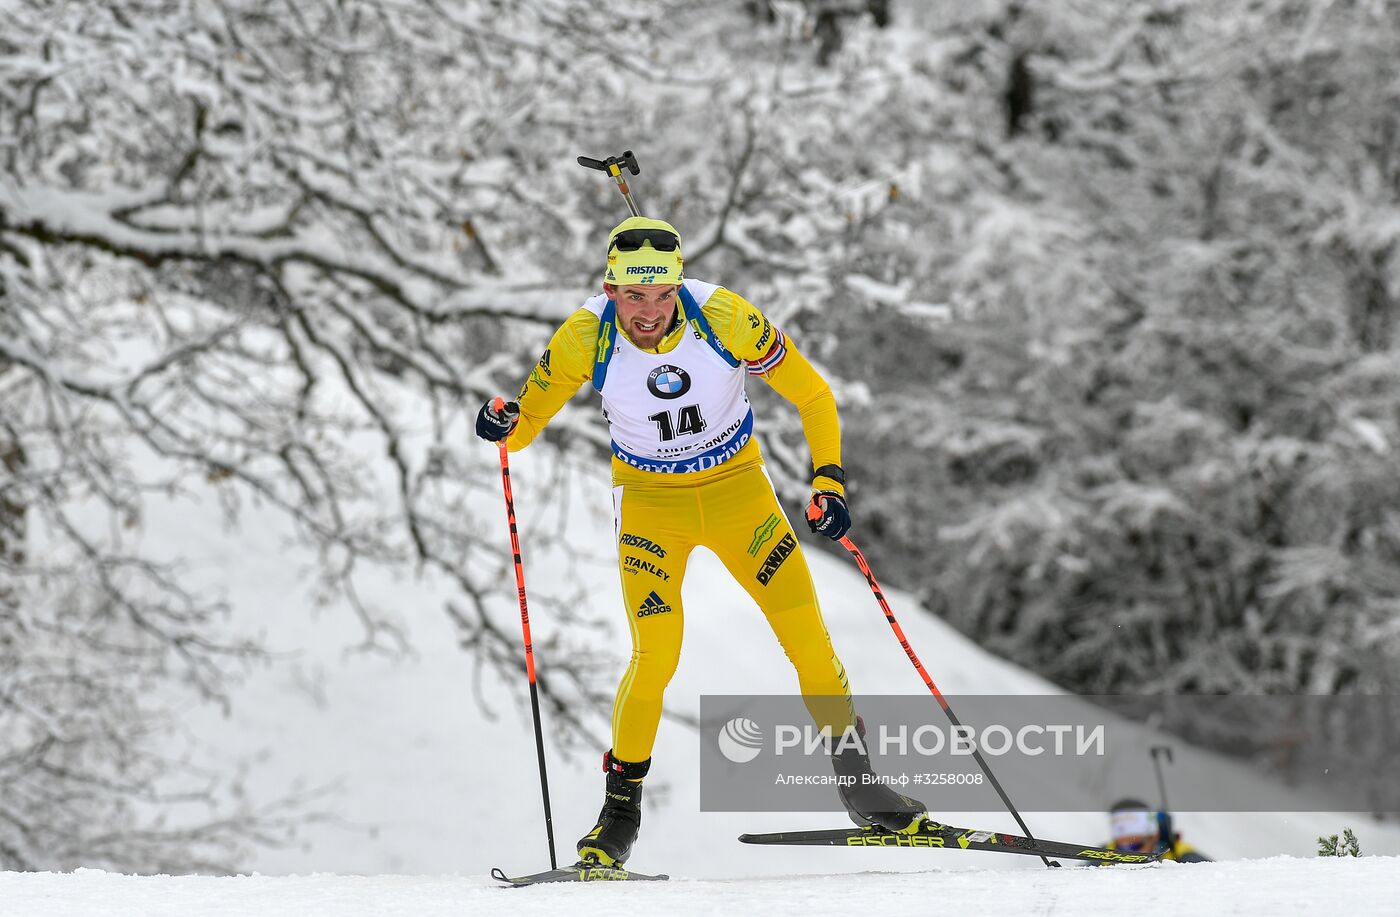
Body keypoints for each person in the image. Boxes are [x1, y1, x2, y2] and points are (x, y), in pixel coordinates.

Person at [476, 216, 927, 867]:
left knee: (806, 633)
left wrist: (829, 477)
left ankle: (859, 783)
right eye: (633, 296)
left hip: (738, 493)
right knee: (655, 652)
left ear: (679, 285)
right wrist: (503, 420)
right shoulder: (584, 335)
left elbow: (813, 392)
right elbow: (522, 427)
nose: (649, 312)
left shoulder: (725, 317)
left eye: (662, 295)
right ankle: (618, 819)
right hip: (651, 507)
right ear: (610, 288)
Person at [1107, 798, 1210, 862]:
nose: (1125, 840)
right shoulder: (1102, 857)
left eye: (1135, 846)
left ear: (1154, 834)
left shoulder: (1183, 856)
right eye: (1123, 848)